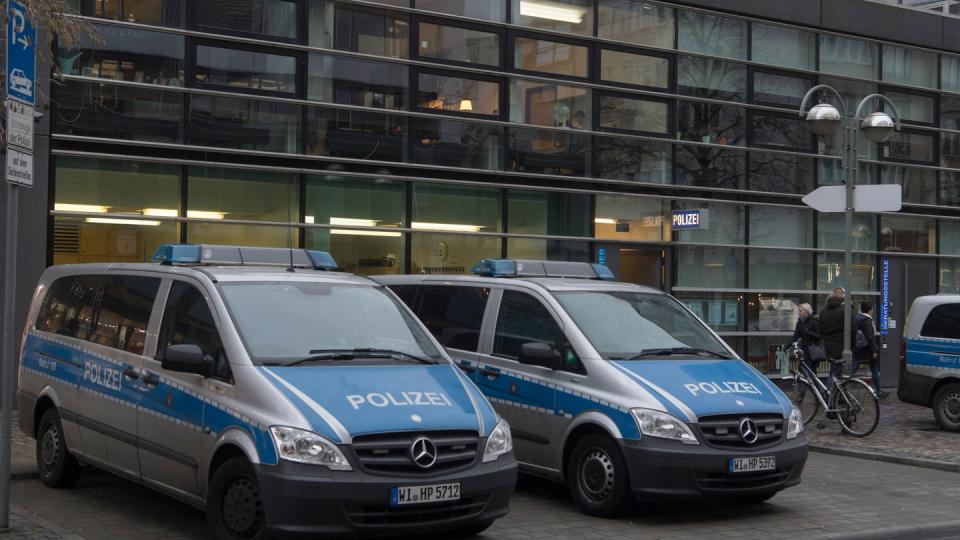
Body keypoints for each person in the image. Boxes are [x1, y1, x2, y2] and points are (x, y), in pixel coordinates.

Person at [852, 302, 889, 398]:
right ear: (870, 309)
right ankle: (879, 391)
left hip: (858, 348)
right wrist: (874, 350)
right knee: (874, 369)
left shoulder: (856, 318)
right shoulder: (867, 320)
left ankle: (842, 383)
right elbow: (870, 336)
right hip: (867, 350)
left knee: (854, 366)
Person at [818, 288, 847, 392]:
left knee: (833, 371)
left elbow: (820, 330)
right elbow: (850, 328)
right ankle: (830, 395)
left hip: (828, 346)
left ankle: (832, 395)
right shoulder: (842, 310)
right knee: (836, 374)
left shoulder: (823, 312)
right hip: (839, 346)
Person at [791, 303, 821, 402]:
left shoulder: (814, 321)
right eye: (798, 310)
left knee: (806, 376)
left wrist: (808, 332)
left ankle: (800, 398)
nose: (798, 312)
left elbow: (819, 336)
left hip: (812, 353)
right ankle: (821, 397)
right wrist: (787, 346)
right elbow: (795, 336)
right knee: (812, 376)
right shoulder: (799, 322)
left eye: (800, 310)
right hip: (803, 353)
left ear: (807, 312)